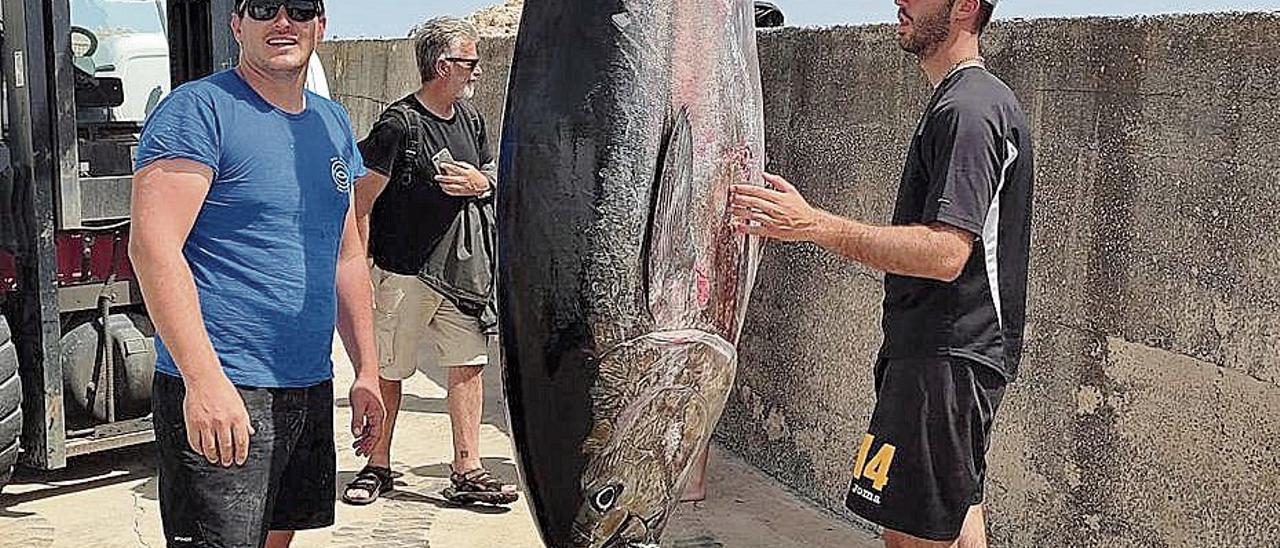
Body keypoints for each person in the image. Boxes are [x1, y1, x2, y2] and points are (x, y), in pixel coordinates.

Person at [729, 0, 1033, 546]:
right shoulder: (968, 102)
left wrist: (813, 224)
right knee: (957, 515)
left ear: (964, 5)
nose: (900, 0)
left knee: (910, 534)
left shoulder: (970, 109)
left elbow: (945, 253)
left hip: (943, 359)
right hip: (949, 357)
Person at [130, 0, 385, 546]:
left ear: (320, 24)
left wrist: (366, 369)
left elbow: (345, 255)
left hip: (307, 381)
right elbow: (154, 250)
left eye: (298, 8)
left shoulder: (331, 121)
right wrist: (203, 381)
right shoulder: (198, 111)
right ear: (236, 24)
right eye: (265, 7)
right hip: (226, 382)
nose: (283, 22)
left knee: (279, 535)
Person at [341, 16, 516, 506]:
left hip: (461, 274)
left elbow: (489, 173)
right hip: (403, 272)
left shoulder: (471, 119)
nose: (477, 71)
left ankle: (468, 470)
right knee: (389, 372)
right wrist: (361, 270)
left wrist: (483, 184)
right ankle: (377, 466)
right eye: (471, 63)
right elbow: (361, 200)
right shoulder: (399, 125)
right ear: (443, 66)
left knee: (468, 367)